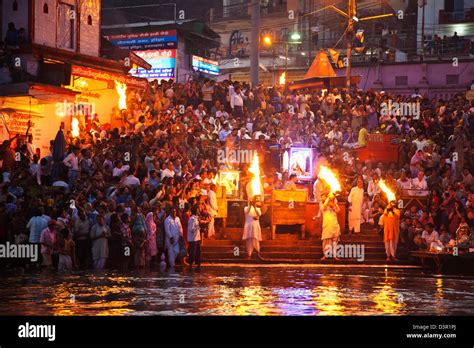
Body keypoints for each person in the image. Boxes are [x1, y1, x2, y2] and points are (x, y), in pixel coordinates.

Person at [320, 193, 340, 260]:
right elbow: (323, 208)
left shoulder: (334, 205)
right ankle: (325, 255)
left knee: (335, 241)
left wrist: (333, 205)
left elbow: (338, 210)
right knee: (326, 241)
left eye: (324, 197)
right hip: (327, 225)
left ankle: (335, 255)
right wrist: (328, 198)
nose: (323, 198)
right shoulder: (323, 205)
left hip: (334, 224)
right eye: (322, 197)